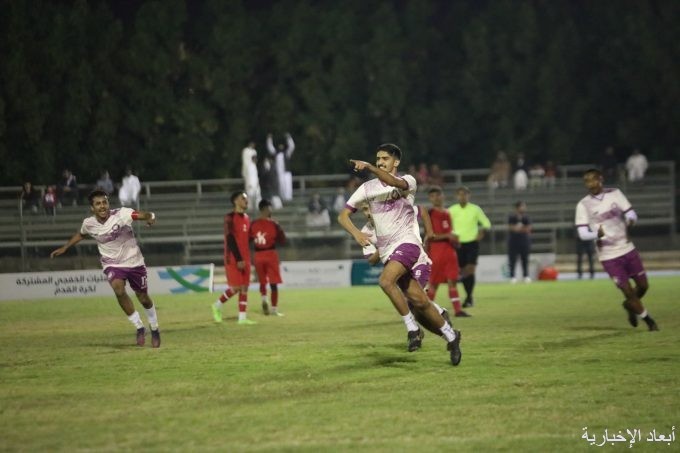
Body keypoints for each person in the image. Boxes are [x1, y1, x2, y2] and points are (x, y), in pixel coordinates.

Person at [338, 143, 462, 366]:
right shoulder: (367, 188)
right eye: (377, 159)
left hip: (407, 244)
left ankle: (411, 328)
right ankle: (451, 336)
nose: (380, 162)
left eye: (384, 159)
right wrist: (356, 233)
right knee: (419, 302)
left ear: (396, 162)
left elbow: (395, 184)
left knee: (385, 281)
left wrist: (369, 167)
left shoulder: (408, 181)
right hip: (389, 252)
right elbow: (343, 216)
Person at [49, 189, 161, 347]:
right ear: (92, 208)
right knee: (118, 290)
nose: (102, 206)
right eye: (98, 204)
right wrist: (65, 247)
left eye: (104, 202)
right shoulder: (89, 223)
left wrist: (150, 216)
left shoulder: (121, 214)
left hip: (135, 262)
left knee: (143, 298)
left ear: (108, 203)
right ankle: (139, 327)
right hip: (112, 264)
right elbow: (81, 234)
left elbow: (141, 215)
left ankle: (154, 328)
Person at [575, 168, 658, 331]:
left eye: (593, 180)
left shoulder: (615, 194)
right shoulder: (583, 205)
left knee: (643, 286)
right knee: (627, 291)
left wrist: (631, 220)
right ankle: (649, 321)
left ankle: (630, 306)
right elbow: (582, 233)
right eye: (587, 181)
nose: (590, 184)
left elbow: (631, 213)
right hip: (608, 256)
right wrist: (596, 234)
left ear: (601, 179)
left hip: (627, 248)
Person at [358, 202, 454, 338]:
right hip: (400, 269)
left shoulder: (397, 213)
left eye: (369, 208)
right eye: (364, 210)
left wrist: (429, 232)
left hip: (418, 261)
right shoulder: (366, 232)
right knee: (413, 301)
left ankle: (427, 331)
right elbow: (371, 260)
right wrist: (383, 246)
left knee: (413, 300)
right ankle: (440, 320)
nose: (367, 213)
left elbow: (421, 209)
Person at [425, 186, 470, 317]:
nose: (436, 198)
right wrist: (447, 236)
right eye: (433, 196)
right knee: (434, 284)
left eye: (438, 195)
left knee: (453, 281)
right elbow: (429, 236)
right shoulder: (430, 213)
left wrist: (455, 240)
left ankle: (458, 310)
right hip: (436, 252)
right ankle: (425, 312)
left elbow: (450, 233)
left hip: (450, 252)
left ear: (443, 196)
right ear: (430, 199)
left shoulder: (448, 213)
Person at [211, 191, 256, 325]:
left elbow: (247, 238)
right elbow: (230, 238)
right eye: (243, 198)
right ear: (235, 201)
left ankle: (242, 318)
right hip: (233, 257)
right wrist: (238, 258)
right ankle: (217, 305)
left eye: (246, 199)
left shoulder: (247, 218)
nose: (246, 201)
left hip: (245, 257)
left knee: (244, 287)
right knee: (236, 287)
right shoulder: (229, 218)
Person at [448, 186, 491, 308]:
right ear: (457, 196)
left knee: (470, 269)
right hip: (458, 244)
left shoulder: (475, 209)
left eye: (465, 194)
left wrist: (482, 232)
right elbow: (446, 225)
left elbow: (487, 223)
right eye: (460, 194)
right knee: (463, 271)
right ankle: (469, 297)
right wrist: (451, 235)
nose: (462, 197)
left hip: (472, 243)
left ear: (469, 196)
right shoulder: (451, 210)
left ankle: (468, 296)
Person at [250, 199, 286, 316]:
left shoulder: (253, 224)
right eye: (270, 208)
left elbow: (248, 239)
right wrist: (279, 229)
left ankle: (264, 299)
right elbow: (282, 240)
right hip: (270, 254)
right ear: (265, 209)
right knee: (273, 282)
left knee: (262, 280)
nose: (271, 210)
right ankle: (274, 309)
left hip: (258, 255)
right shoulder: (274, 224)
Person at [507, 201, 532, 283]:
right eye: (522, 206)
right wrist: (520, 228)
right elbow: (510, 228)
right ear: (517, 208)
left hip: (524, 242)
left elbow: (528, 229)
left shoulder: (526, 218)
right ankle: (512, 276)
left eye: (524, 206)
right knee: (512, 260)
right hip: (513, 242)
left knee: (525, 259)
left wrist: (518, 228)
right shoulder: (512, 217)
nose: (524, 208)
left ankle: (526, 276)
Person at [266, 132, 295, 201]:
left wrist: (289, 138)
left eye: (282, 146)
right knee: (281, 186)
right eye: (279, 146)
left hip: (287, 172)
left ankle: (288, 199)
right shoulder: (276, 153)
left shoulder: (287, 153)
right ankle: (282, 198)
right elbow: (270, 147)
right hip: (279, 173)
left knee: (288, 186)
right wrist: (269, 139)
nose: (280, 147)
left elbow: (292, 147)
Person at [241, 140, 261, 210]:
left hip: (255, 182)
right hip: (250, 182)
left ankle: (257, 206)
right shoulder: (245, 151)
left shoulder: (254, 166)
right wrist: (249, 183)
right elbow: (249, 175)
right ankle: (249, 206)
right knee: (249, 195)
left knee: (257, 195)